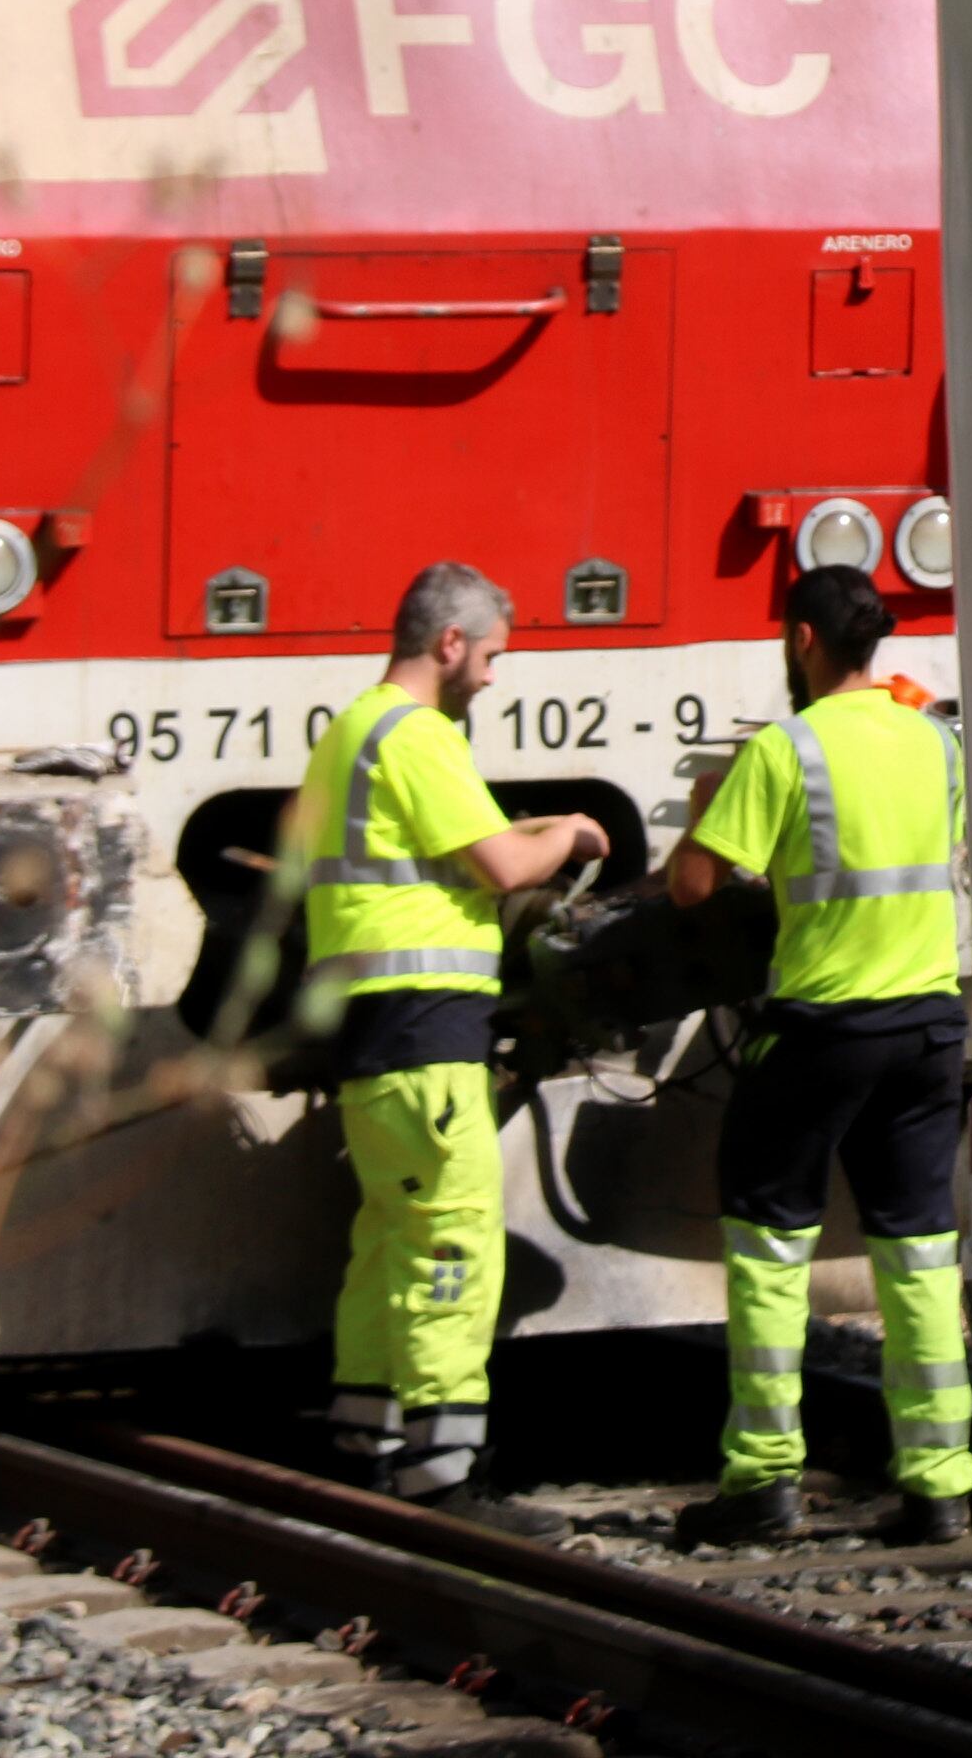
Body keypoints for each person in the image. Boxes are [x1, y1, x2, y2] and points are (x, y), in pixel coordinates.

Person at [662, 562, 972, 1548]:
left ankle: (761, 1479)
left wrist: (707, 809)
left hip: (826, 1033)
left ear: (802, 639)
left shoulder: (785, 749)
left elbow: (693, 885)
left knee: (766, 1241)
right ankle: (940, 1482)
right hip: (929, 1027)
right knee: (919, 1251)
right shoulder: (937, 741)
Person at [288, 561, 606, 1514]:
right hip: (426, 1029)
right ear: (450, 642)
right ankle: (444, 1469)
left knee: (389, 1236)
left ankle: (361, 1435)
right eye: (493, 656)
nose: (494, 678)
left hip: (370, 1032)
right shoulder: (419, 736)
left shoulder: (351, 729)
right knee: (455, 1243)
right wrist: (576, 836)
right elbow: (505, 863)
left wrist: (528, 829)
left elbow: (443, 847)